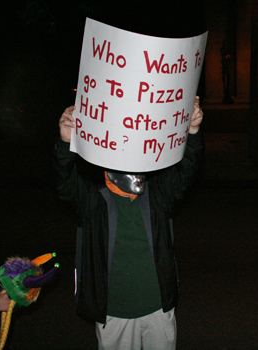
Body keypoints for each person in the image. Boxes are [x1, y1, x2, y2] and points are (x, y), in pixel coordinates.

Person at [53, 97, 204, 350]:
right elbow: (64, 184)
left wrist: (192, 131)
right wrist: (66, 142)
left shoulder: (157, 197)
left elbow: (187, 170)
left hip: (158, 311)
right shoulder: (94, 203)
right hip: (114, 316)